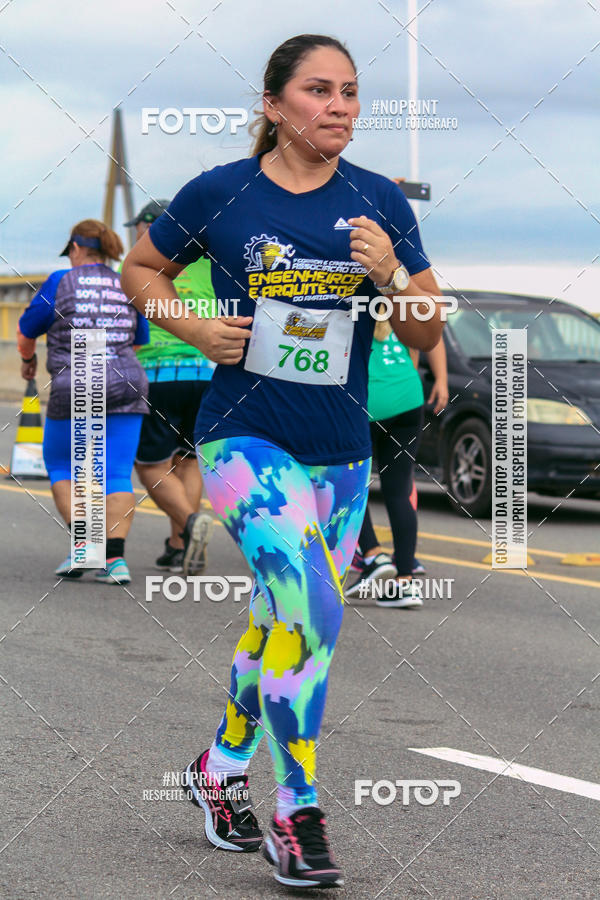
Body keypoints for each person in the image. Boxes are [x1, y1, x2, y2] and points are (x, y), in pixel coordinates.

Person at [122, 33, 443, 889]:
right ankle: (297, 817)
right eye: (319, 91)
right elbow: (142, 266)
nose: (340, 106)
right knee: (315, 617)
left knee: (278, 618)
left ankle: (219, 770)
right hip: (243, 434)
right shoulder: (220, 193)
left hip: (339, 449)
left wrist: (393, 279)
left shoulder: (379, 203)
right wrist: (186, 324)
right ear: (274, 107)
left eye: (349, 92)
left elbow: (425, 330)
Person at [17, 219, 149, 584]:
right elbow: (139, 338)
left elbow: (26, 330)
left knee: (61, 463)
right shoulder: (128, 280)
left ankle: (85, 549)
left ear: (75, 248)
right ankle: (116, 560)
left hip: (76, 381)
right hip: (127, 380)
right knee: (117, 472)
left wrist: (28, 362)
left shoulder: (61, 281)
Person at [125, 200, 215, 574]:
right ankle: (179, 544)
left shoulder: (135, 266)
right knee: (188, 459)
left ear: (150, 227)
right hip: (206, 372)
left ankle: (191, 523)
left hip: (158, 374)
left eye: (138, 227)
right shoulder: (211, 262)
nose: (135, 234)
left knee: (149, 465)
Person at [345, 329, 448, 607]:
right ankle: (405, 582)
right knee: (399, 491)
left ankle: (372, 554)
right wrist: (442, 379)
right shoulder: (397, 297)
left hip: (366, 398)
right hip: (407, 397)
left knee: (349, 484)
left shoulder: (349, 300)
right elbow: (430, 332)